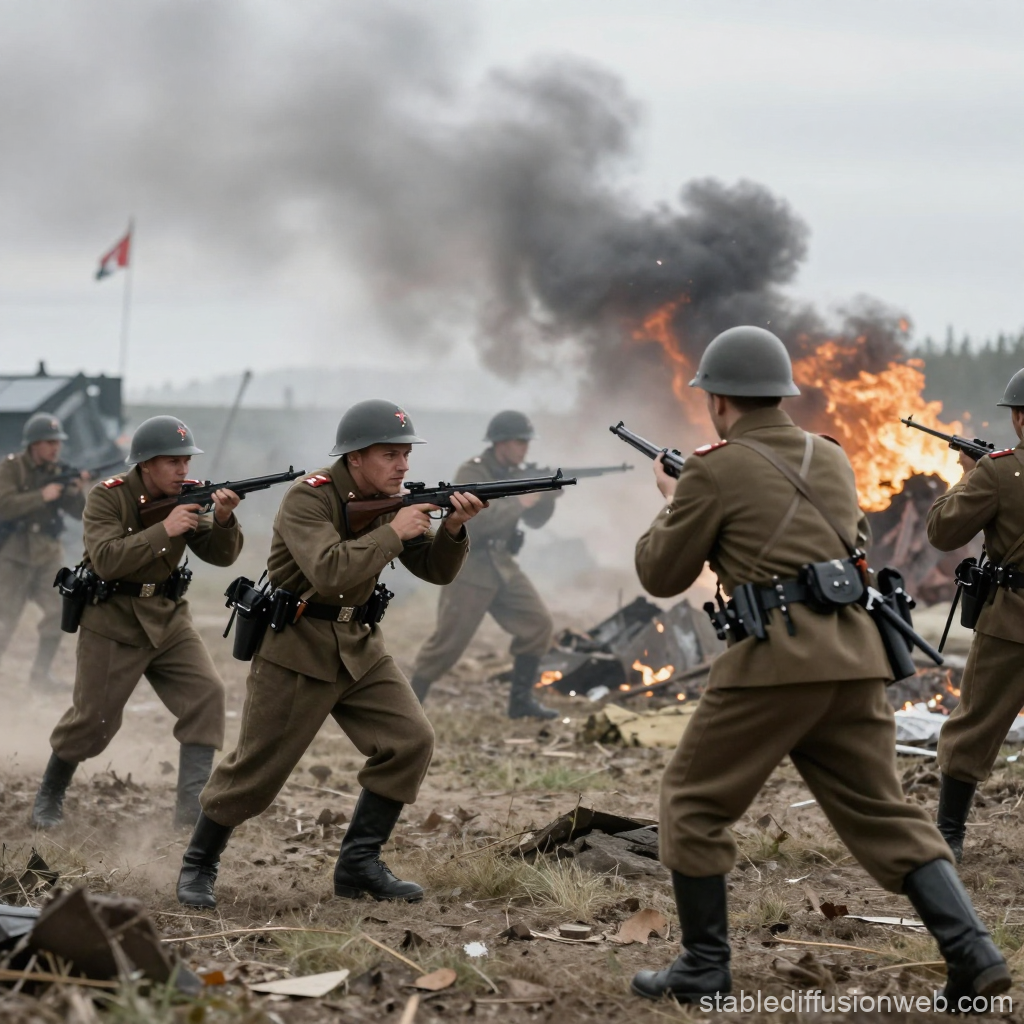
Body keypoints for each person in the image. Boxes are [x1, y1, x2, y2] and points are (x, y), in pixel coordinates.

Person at [628, 326, 1010, 1008]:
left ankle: (703, 967)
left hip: (775, 665)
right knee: (886, 814)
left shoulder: (713, 469)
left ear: (718, 401)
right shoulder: (830, 458)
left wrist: (672, 500)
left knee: (690, 806)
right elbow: (851, 542)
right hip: (855, 660)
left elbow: (661, 573)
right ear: (781, 393)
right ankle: (974, 951)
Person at [176, 400, 484, 909]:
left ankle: (359, 865)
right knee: (254, 773)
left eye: (406, 454)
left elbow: (436, 571)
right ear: (356, 458)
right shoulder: (309, 499)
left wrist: (452, 529)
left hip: (360, 647)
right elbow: (329, 572)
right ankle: (198, 865)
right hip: (296, 648)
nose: (403, 465)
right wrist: (395, 531)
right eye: (391, 455)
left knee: (410, 741)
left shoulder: (392, 499)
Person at [30, 415, 243, 830]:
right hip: (111, 619)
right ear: (146, 463)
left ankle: (188, 813)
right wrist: (165, 530)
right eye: (173, 462)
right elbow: (106, 559)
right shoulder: (107, 497)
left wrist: (221, 519)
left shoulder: (186, 496)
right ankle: (50, 794)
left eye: (187, 461)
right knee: (93, 720)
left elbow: (221, 555)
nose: (184, 470)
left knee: (207, 695)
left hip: (167, 618)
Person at [926, 367, 1024, 864]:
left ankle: (949, 834)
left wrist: (967, 474)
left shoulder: (1000, 471)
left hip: (1011, 623)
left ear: (1021, 420)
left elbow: (943, 531)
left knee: (974, 728)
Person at [409, 410, 559, 719]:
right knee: (446, 646)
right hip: (470, 566)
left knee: (537, 625)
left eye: (527, 442)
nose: (525, 448)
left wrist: (547, 498)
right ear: (501, 442)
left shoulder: (517, 472)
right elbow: (472, 523)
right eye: (520, 441)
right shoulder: (471, 472)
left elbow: (534, 521)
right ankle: (406, 710)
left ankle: (520, 703)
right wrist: (520, 501)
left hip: (502, 565)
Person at [0, 413, 86, 690]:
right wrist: (41, 496)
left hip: (48, 555)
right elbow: (3, 505)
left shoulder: (59, 471)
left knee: (59, 610)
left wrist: (73, 492)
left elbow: (78, 512)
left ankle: (41, 675)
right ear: (33, 444)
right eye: (49, 442)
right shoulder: (12, 468)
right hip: (14, 555)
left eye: (57, 442)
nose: (55, 447)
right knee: (4, 618)